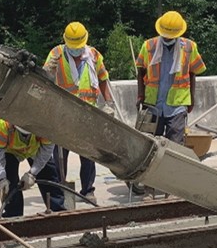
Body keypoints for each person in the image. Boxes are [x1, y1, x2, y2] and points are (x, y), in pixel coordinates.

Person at [43, 21, 116, 201]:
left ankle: (88, 190)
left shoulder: (93, 55)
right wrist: (46, 71)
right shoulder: (56, 54)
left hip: (87, 114)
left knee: (88, 154)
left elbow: (103, 78)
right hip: (63, 113)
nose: (75, 49)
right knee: (60, 154)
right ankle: (60, 188)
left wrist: (109, 103)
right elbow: (45, 80)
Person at [134, 10, 207, 146]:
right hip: (153, 104)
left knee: (175, 146)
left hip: (177, 105)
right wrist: (140, 95)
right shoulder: (149, 46)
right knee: (149, 145)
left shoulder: (189, 47)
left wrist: (191, 99)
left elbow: (192, 73)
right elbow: (141, 71)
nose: (167, 38)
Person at [0, 117, 65, 218]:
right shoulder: (2, 124)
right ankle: (13, 216)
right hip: (10, 150)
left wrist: (33, 173)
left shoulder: (45, 123)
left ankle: (58, 211)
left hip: (35, 149)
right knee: (10, 182)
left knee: (48, 175)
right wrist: (2, 178)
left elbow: (47, 149)